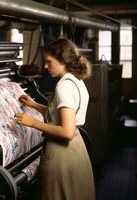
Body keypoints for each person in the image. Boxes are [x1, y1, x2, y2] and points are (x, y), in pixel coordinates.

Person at [14, 38, 95, 200]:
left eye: (49, 62)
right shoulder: (76, 80)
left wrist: (33, 122)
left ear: (62, 61)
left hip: (62, 153)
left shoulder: (63, 87)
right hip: (76, 151)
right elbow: (62, 116)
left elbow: (66, 131)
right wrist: (34, 104)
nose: (45, 66)